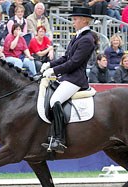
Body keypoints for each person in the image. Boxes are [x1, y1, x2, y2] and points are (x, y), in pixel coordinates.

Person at [40, 7, 96, 153]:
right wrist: (49, 64)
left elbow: (74, 63)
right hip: (68, 77)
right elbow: (66, 58)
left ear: (85, 20)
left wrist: (53, 71)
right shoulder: (77, 36)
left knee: (54, 101)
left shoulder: (87, 39)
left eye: (75, 19)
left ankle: (59, 139)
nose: (73, 22)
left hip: (75, 79)